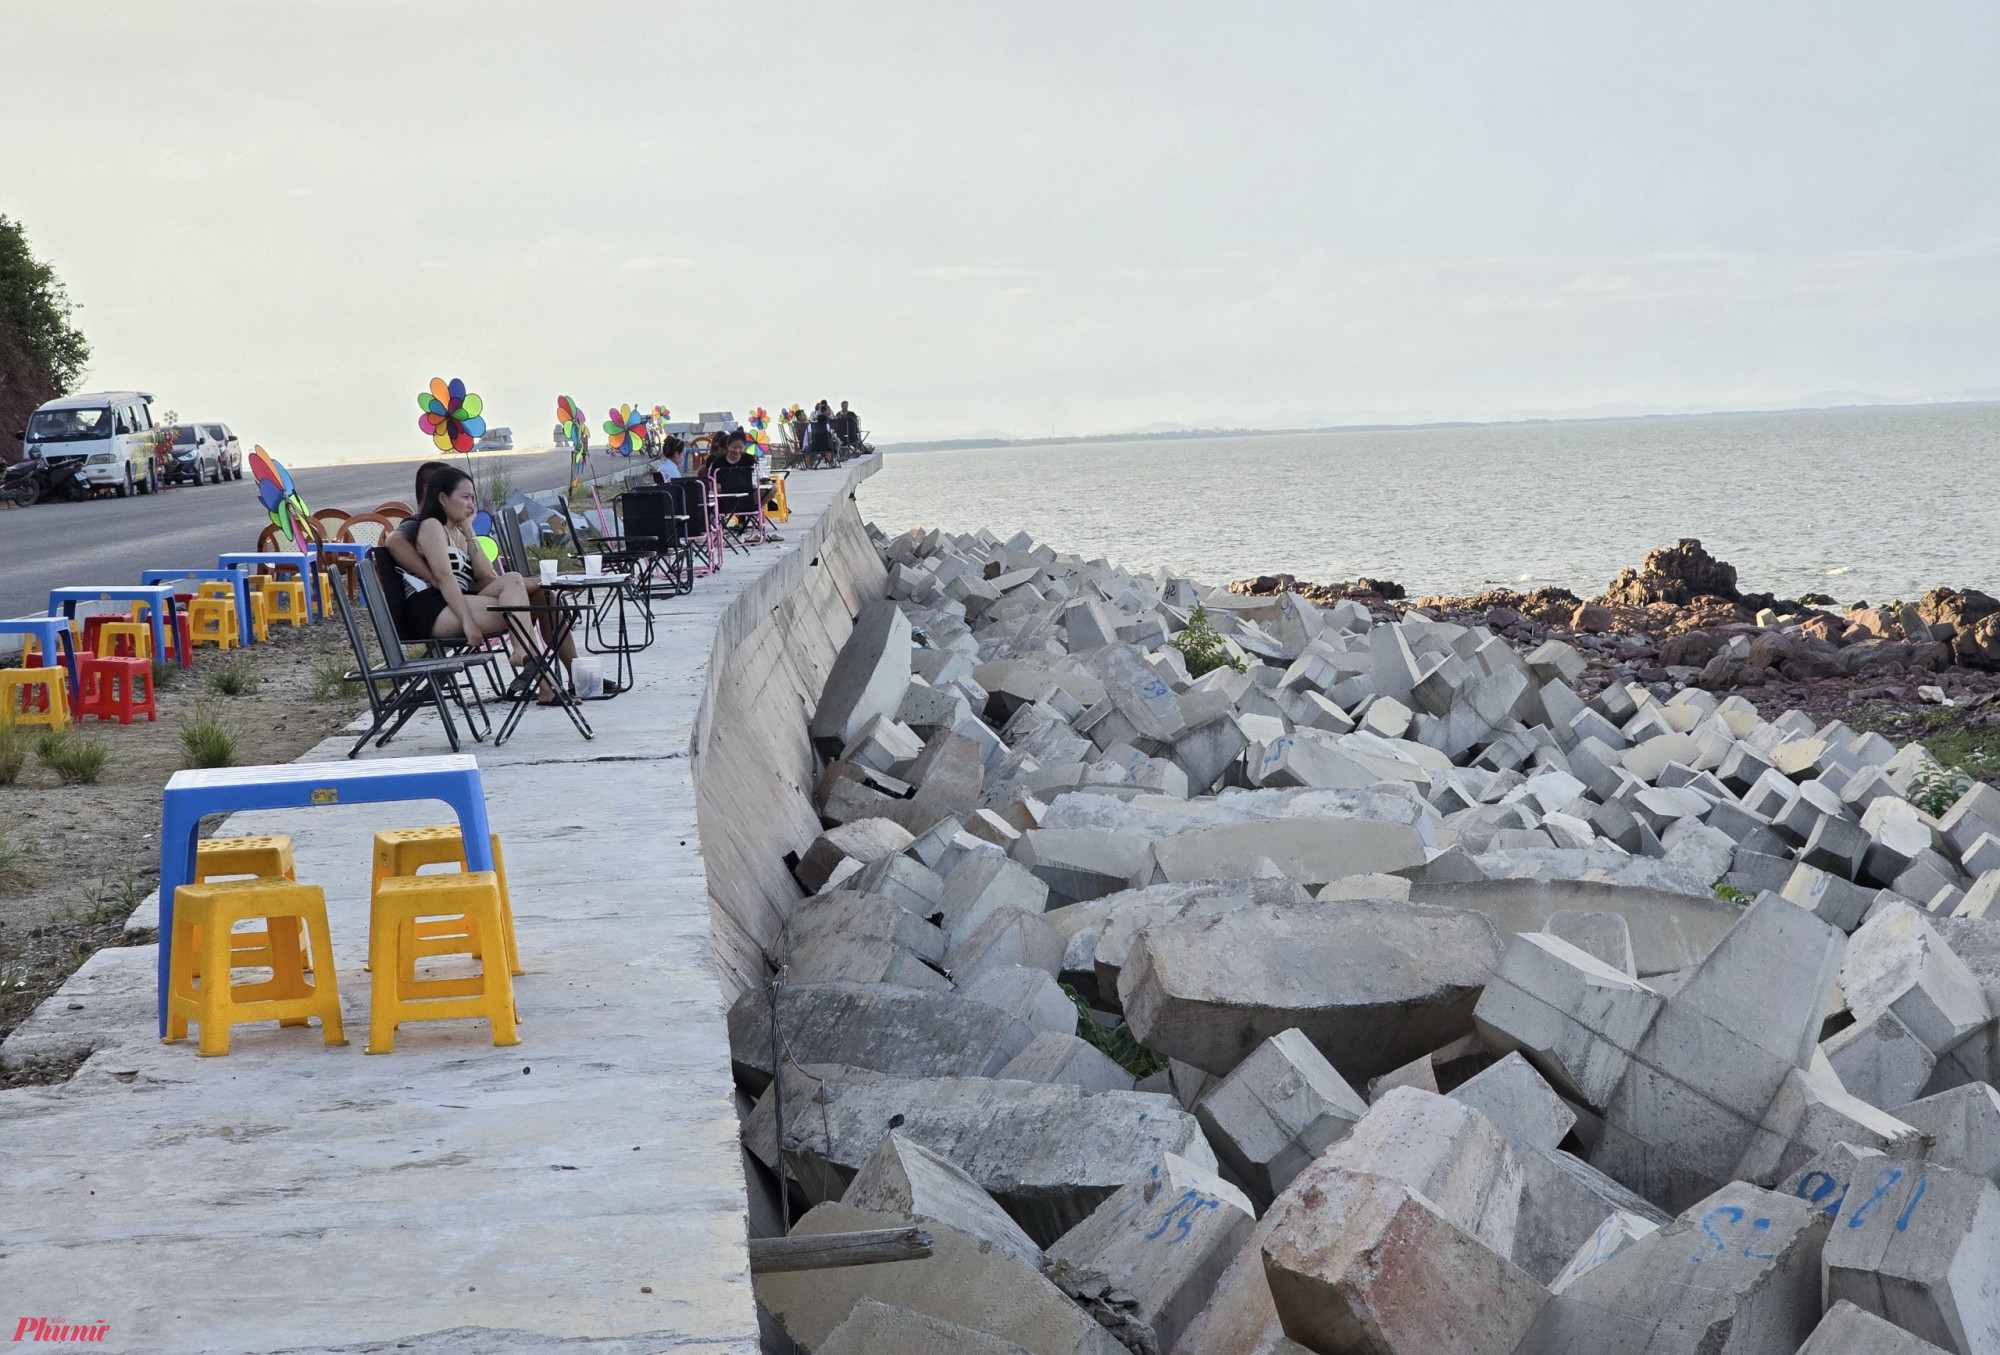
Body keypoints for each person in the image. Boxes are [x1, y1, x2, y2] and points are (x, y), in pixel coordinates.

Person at [394, 466, 573, 702]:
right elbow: (445, 578)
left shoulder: (457, 532)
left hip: (458, 600)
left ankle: (544, 671)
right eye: (466, 497)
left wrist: (469, 531)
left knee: (518, 583)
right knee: (520, 607)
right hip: (433, 609)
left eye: (473, 498)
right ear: (443, 498)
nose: (472, 505)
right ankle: (537, 673)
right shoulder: (431, 526)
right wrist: (468, 623)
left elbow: (484, 574)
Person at [709, 430, 762, 525]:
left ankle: (756, 510)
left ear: (745, 447)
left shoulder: (749, 460)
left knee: (772, 489)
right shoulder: (718, 463)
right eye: (734, 447)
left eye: (741, 447)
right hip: (726, 501)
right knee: (716, 487)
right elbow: (712, 484)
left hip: (748, 500)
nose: (737, 451)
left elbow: (758, 477)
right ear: (728, 446)